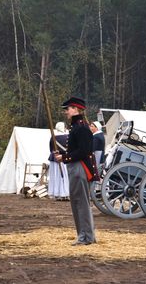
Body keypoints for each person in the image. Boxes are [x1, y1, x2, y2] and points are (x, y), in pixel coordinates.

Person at [54, 96, 96, 246]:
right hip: (75, 166)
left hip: (79, 168)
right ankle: (85, 235)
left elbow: (84, 151)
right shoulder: (77, 126)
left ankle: (86, 237)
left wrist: (65, 157)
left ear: (76, 109)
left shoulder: (81, 127)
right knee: (78, 202)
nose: (66, 111)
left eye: (68, 109)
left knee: (81, 203)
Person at [47, 122, 70, 201]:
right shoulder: (68, 137)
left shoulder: (53, 137)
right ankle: (65, 193)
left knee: (56, 176)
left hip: (54, 158)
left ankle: (56, 193)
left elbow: (51, 149)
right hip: (64, 158)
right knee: (64, 176)